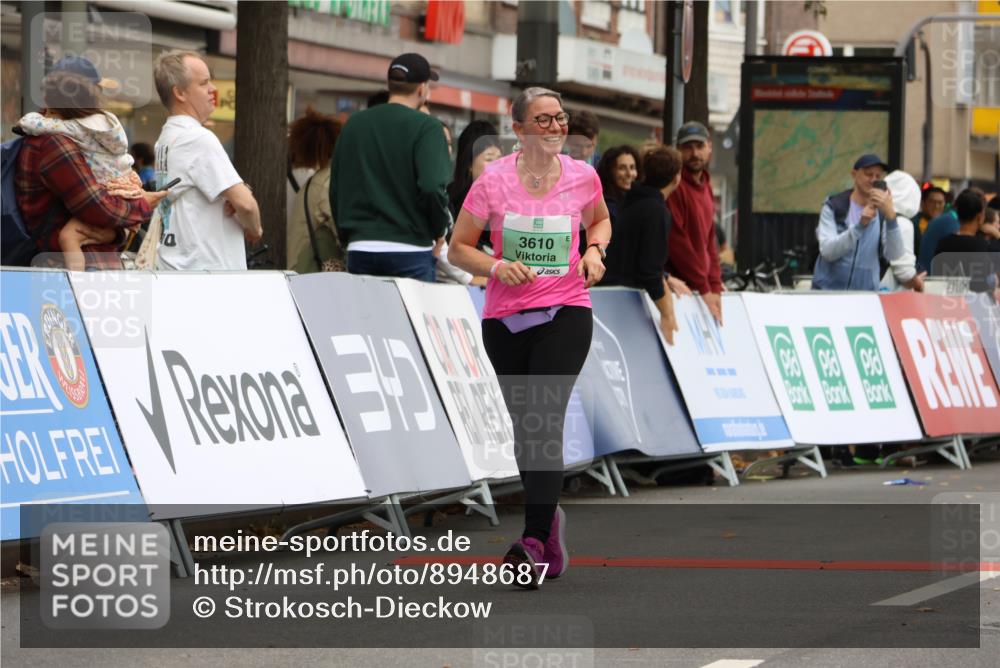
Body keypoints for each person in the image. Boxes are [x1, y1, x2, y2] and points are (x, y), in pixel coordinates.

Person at [448, 87, 611, 588]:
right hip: (505, 320)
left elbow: (600, 219)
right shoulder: (493, 184)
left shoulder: (583, 177)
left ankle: (534, 541)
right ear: (518, 130)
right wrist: (497, 265)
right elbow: (458, 249)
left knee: (543, 416)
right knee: (527, 429)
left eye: (559, 118)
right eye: (543, 120)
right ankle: (550, 526)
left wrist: (595, 252)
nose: (555, 126)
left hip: (566, 312)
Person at [14, 62, 159, 270]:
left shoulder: (66, 138)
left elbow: (102, 216)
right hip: (73, 272)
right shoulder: (55, 143)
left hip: (79, 266)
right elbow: (97, 207)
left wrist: (115, 233)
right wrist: (142, 205)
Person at [330, 52, 451, 282]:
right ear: (422, 89)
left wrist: (348, 235)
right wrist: (438, 230)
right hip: (411, 248)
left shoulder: (354, 124)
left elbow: (336, 187)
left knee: (367, 318)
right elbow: (432, 185)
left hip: (361, 246)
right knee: (410, 318)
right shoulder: (427, 128)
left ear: (389, 85)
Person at [152, 50, 261, 270]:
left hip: (177, 266)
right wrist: (255, 229)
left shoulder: (165, 139)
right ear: (180, 93)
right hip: (207, 274)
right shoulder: (198, 138)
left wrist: (232, 194)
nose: (213, 90)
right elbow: (246, 205)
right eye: (203, 83)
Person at [601, 145, 683, 344]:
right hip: (621, 307)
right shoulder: (655, 211)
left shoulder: (632, 203)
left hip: (608, 299)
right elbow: (650, 270)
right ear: (676, 179)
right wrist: (667, 314)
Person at [811, 153, 904, 291]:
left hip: (865, 296)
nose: (873, 179)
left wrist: (891, 217)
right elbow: (828, 251)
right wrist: (859, 227)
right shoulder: (834, 206)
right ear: (854, 174)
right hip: (828, 293)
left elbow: (894, 254)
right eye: (868, 174)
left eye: (878, 176)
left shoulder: (883, 212)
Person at [667, 121, 723, 323]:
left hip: (700, 290)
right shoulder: (675, 186)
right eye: (687, 147)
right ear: (677, 151)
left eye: (699, 146)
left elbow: (710, 241)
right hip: (680, 293)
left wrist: (715, 285)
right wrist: (706, 287)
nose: (694, 153)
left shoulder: (706, 185)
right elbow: (678, 244)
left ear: (709, 148)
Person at [286, 107, 344, 272]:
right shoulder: (328, 181)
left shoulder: (317, 181)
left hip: (303, 269)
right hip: (314, 275)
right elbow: (341, 227)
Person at [932, 189, 998, 300]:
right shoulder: (981, 246)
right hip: (974, 307)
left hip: (947, 305)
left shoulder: (943, 243)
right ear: (980, 216)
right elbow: (988, 282)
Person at [879, 170, 926, 292]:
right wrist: (917, 283)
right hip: (891, 295)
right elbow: (903, 270)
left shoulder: (875, 217)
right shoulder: (901, 223)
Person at [595, 145, 640, 224]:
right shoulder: (607, 207)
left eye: (632, 167)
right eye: (622, 168)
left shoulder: (636, 201)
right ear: (609, 171)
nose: (629, 174)